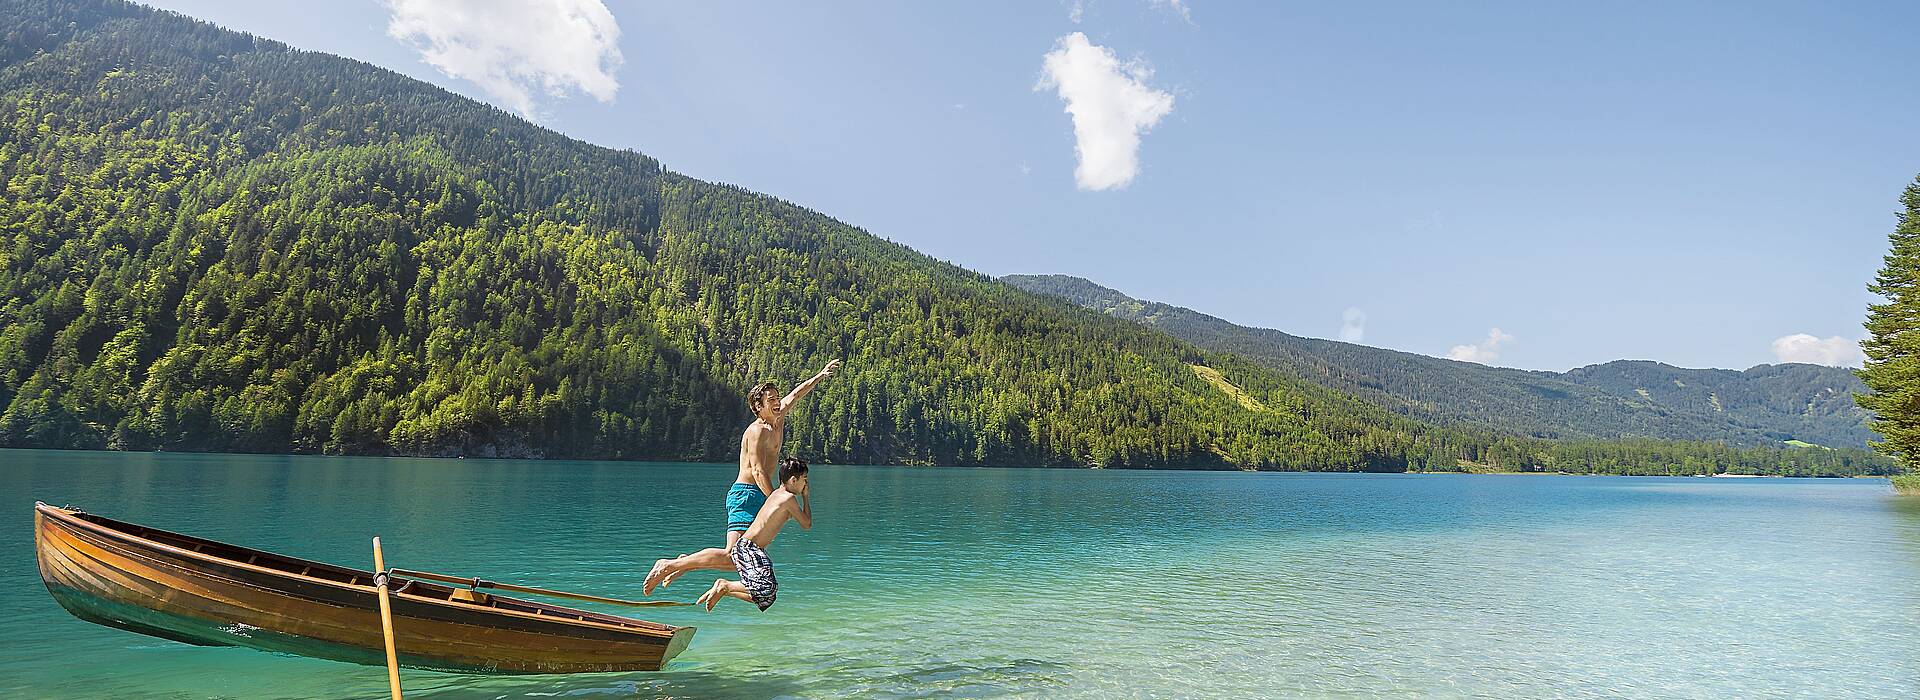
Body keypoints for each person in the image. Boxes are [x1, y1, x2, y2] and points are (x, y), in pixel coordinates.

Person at [644, 359, 839, 594]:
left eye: (778, 398)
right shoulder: (756, 431)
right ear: (758, 406)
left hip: (761, 495)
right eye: (772, 400)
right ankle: (670, 564)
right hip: (746, 494)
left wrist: (821, 374)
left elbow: (797, 393)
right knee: (732, 555)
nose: (778, 403)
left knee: (738, 560)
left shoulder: (778, 417)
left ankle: (684, 563)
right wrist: (775, 501)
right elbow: (757, 471)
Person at [699, 457, 811, 611]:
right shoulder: (788, 498)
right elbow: (806, 524)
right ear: (793, 480)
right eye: (804, 479)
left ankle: (726, 590)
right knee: (765, 587)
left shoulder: (776, 495)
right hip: (748, 547)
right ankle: (724, 585)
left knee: (768, 597)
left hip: (750, 548)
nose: (806, 484)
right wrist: (805, 497)